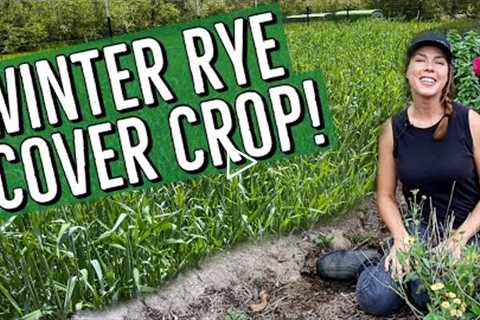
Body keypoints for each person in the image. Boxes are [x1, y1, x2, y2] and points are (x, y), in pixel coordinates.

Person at [316, 31, 480, 317]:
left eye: (439, 62)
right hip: (420, 229)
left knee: (428, 291)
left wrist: (458, 238)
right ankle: (373, 262)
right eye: (420, 60)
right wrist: (403, 238)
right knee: (375, 299)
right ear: (407, 71)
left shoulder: (470, 122)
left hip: (470, 230)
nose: (429, 67)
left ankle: (392, 263)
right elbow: (385, 195)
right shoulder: (393, 130)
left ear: (448, 74)